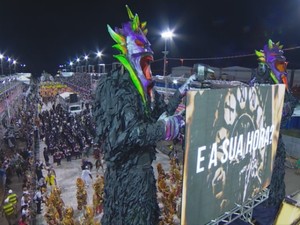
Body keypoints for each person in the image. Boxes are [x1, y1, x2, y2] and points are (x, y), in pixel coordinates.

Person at [93, 5, 197, 225]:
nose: (149, 68)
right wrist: (167, 128)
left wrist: (180, 95)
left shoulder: (146, 92)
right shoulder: (115, 87)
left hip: (144, 176)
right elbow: (126, 135)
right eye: (144, 59)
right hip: (126, 179)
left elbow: (161, 116)